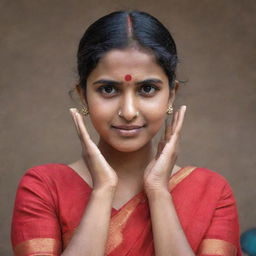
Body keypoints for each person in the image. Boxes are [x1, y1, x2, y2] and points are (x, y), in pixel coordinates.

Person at [11, 10, 242, 256]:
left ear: (171, 95)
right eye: (109, 89)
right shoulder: (44, 187)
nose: (129, 111)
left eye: (147, 88)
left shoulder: (212, 191)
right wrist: (102, 191)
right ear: (83, 96)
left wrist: (158, 192)